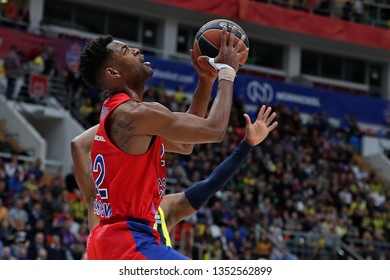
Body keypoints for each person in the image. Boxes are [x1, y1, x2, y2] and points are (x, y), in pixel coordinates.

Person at [75, 27, 248, 260]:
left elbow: (186, 145)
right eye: (126, 50)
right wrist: (227, 72)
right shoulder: (135, 115)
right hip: (128, 241)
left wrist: (206, 81)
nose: (136, 50)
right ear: (113, 72)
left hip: (111, 240)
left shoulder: (123, 116)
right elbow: (215, 130)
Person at [71, 105, 277, 253]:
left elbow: (210, 185)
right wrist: (115, 124)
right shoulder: (103, 212)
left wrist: (247, 145)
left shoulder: (165, 208)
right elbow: (78, 145)